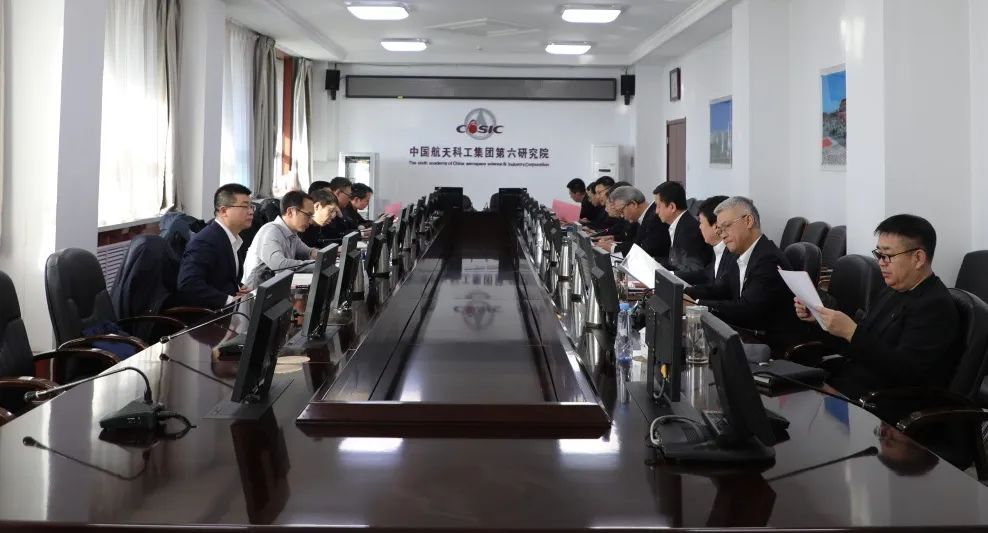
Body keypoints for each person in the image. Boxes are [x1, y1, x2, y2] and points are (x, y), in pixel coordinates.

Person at [794, 214, 959, 400]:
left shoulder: (934, 306)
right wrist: (821, 321)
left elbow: (906, 373)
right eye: (879, 254)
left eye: (887, 255)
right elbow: (859, 345)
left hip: (879, 401)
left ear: (918, 258)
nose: (881, 262)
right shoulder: (892, 290)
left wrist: (851, 332)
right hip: (848, 382)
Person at [684, 196, 802, 350]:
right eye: (719, 230)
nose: (722, 235)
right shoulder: (740, 254)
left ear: (748, 221)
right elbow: (722, 289)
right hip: (748, 332)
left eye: (726, 227)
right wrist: (684, 292)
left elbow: (747, 309)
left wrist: (696, 305)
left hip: (768, 343)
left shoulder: (768, 259)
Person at [177, 183, 254, 309]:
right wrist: (229, 300)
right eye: (245, 206)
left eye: (251, 206)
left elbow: (219, 277)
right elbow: (188, 284)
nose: (251, 212)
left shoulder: (231, 237)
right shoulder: (205, 241)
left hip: (227, 310)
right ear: (224, 211)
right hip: (208, 314)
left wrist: (238, 287)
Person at [241, 190, 320, 289]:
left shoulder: (292, 233)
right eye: (308, 215)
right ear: (290, 212)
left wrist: (323, 255)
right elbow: (280, 265)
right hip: (256, 293)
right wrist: (317, 265)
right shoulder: (270, 231)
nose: (310, 221)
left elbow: (309, 252)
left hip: (275, 287)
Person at [654, 181, 712, 274]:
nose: (656, 211)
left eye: (658, 206)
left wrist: (668, 274)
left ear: (672, 207)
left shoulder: (689, 231)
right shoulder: (681, 224)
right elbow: (675, 263)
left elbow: (694, 270)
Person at [598, 186, 670, 259]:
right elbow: (636, 244)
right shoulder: (644, 217)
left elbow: (645, 251)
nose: (622, 216)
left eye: (622, 211)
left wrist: (612, 248)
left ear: (634, 204)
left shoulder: (655, 218)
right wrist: (615, 244)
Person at [679, 195, 732, 285]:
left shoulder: (733, 256)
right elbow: (706, 274)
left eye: (701, 222)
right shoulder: (718, 248)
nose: (699, 227)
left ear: (716, 226)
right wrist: (672, 275)